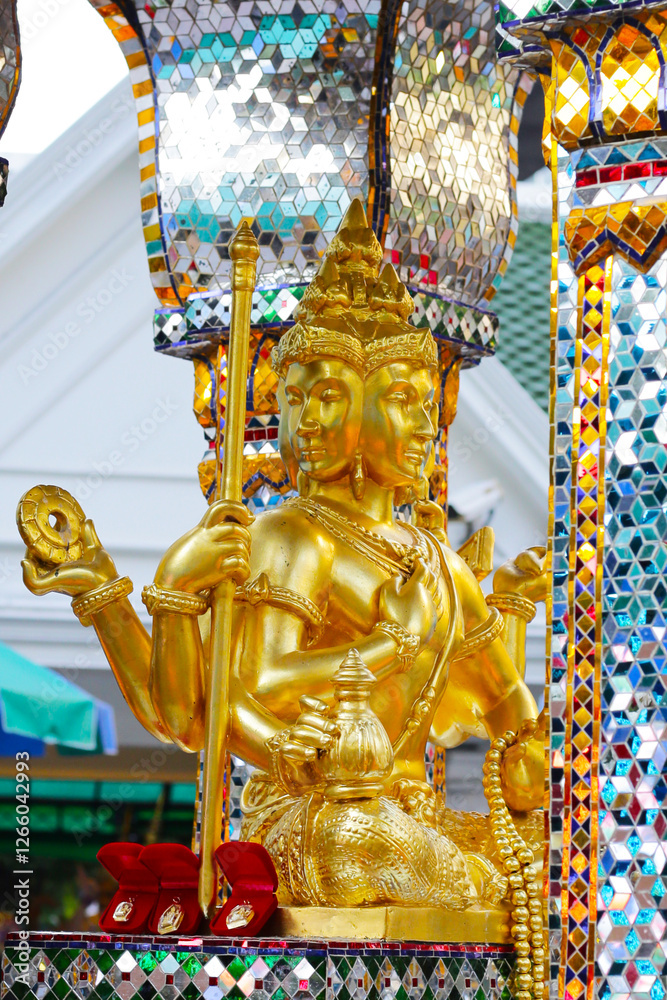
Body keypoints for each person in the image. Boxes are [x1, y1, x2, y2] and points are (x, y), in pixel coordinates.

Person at [21, 201, 545, 909]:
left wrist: (532, 755)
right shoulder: (293, 538)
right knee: (348, 840)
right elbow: (254, 687)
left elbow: (503, 698)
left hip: (405, 812)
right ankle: (475, 887)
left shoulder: (437, 559)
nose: (310, 422)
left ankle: (484, 883)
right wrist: (393, 643)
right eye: (300, 400)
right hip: (314, 815)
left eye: (418, 404)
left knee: (554, 854)